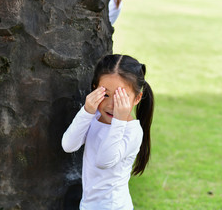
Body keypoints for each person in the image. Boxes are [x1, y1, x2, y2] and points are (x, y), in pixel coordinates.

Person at [62, 54, 154, 209]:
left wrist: (119, 120)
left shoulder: (132, 131)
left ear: (137, 98)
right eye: (105, 94)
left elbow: (104, 161)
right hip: (88, 204)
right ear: (95, 89)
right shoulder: (94, 117)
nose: (111, 105)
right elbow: (68, 145)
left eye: (121, 97)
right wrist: (87, 111)